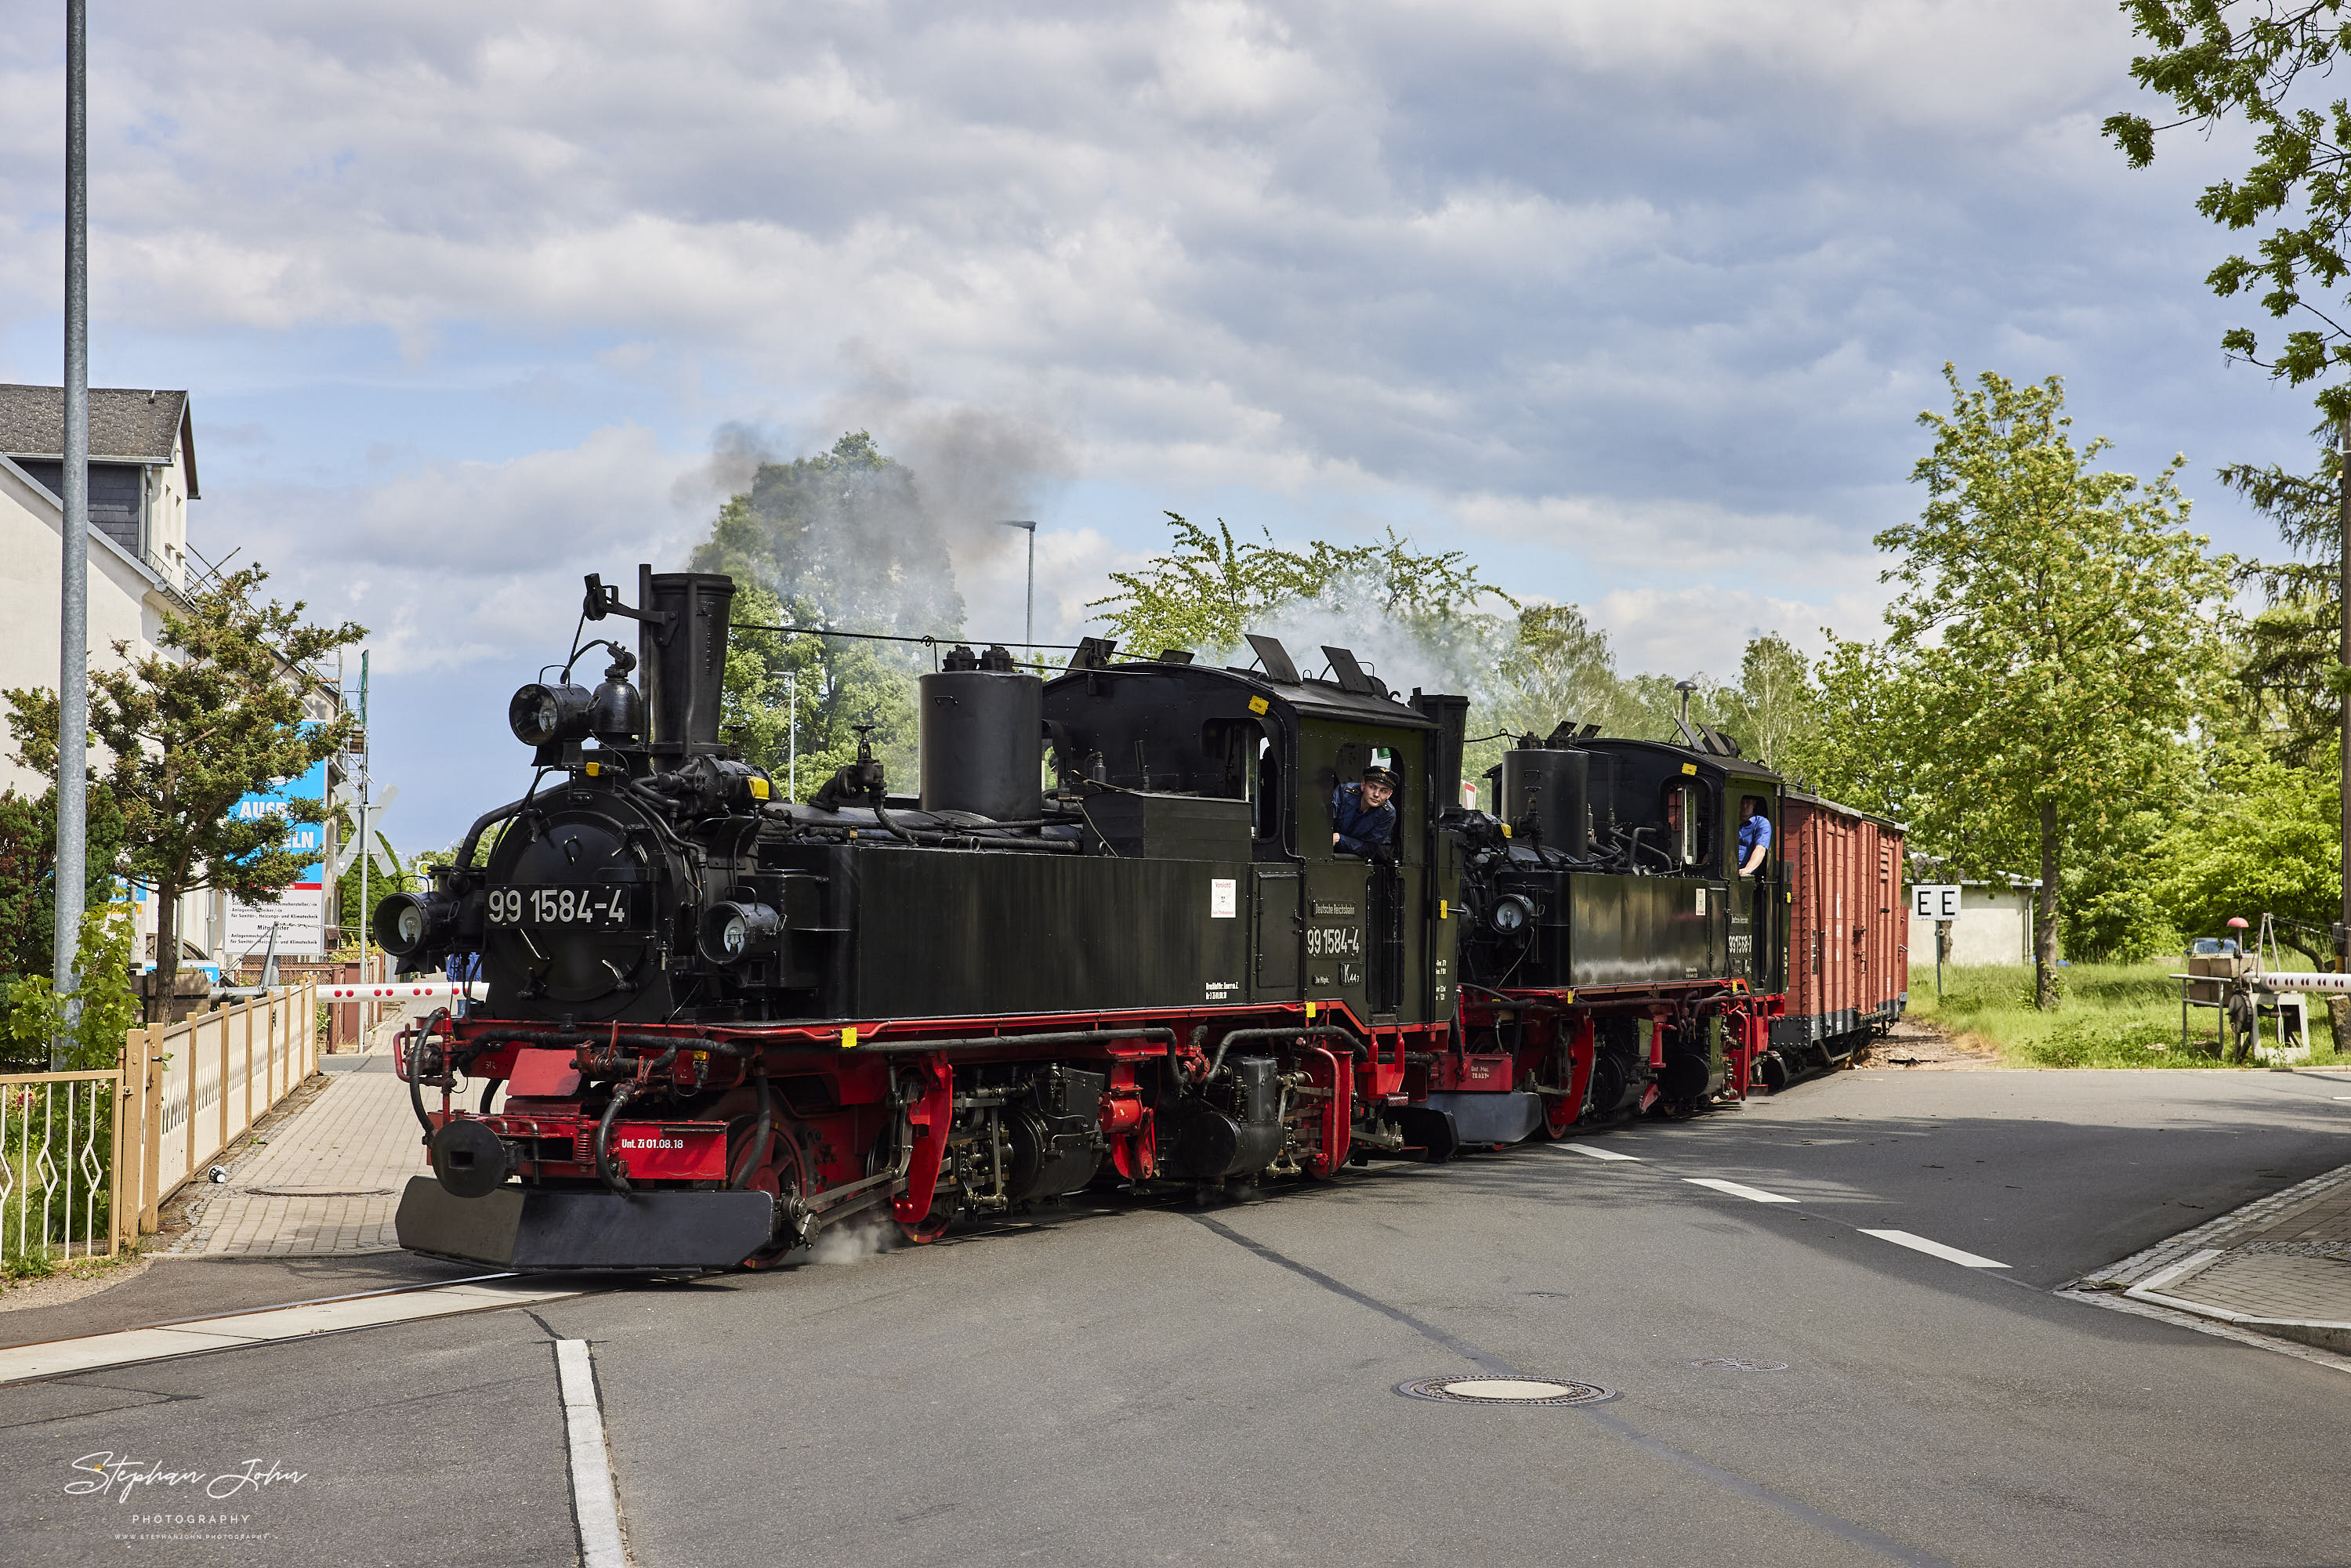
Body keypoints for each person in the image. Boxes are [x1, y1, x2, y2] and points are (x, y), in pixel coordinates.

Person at [1331, 766, 1399, 856]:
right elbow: (1323, 823)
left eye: (1383, 791)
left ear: (1389, 794)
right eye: (1372, 787)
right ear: (1363, 785)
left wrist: (1340, 839)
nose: (1376, 794)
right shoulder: (1344, 793)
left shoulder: (1387, 813)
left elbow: (1369, 848)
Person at [1737, 795, 1771, 877]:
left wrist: (1747, 869)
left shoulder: (1762, 823)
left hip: (1742, 875)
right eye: (1742, 802)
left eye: (1748, 802)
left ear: (1754, 803)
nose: (1745, 806)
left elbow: (1760, 850)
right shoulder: (1728, 822)